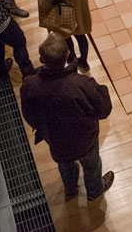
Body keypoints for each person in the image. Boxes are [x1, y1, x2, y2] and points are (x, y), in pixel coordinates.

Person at [20, 33, 114, 201]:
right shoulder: (82, 84)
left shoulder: (29, 85)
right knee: (92, 166)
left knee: (64, 165)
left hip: (56, 140)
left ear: (41, 59)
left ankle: (70, 189)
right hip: (86, 139)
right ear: (68, 56)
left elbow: (28, 115)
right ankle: (94, 191)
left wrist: (43, 128)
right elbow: (104, 109)